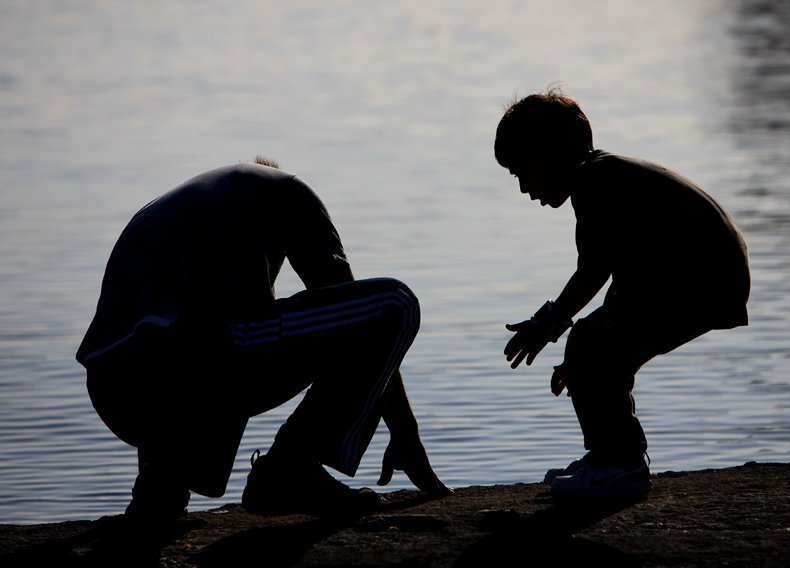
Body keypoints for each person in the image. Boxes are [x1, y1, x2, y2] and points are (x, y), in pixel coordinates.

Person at [76, 156, 452, 523]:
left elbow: (146, 340)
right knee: (392, 303)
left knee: (227, 330)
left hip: (114, 393)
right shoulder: (289, 190)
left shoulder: (168, 210)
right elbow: (356, 315)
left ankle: (159, 495)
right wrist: (405, 432)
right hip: (192, 364)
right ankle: (291, 468)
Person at [494, 89, 750, 498]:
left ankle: (620, 465)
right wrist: (585, 363)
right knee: (594, 347)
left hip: (701, 278)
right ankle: (609, 458)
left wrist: (548, 326)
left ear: (545, 158)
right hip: (700, 275)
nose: (524, 188)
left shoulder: (594, 182)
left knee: (592, 343)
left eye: (520, 172)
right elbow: (624, 269)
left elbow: (593, 271)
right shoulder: (604, 176)